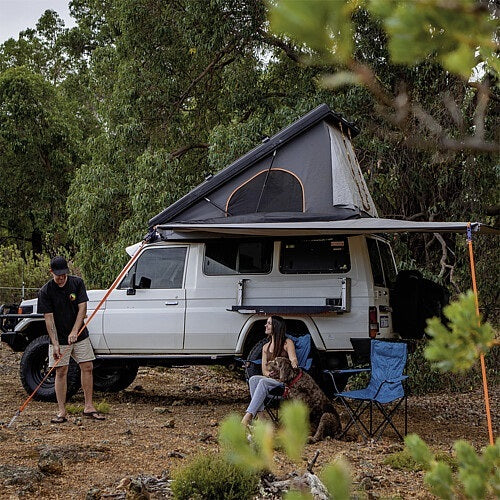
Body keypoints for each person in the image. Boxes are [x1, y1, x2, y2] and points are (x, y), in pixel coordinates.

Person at [37, 256, 105, 423]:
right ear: (51, 272)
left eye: (64, 274)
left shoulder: (77, 283)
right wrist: (54, 343)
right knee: (61, 371)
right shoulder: (45, 292)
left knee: (87, 366)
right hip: (58, 337)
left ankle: (89, 406)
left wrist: (75, 331)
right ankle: (61, 411)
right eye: (58, 275)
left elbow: (82, 308)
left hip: (79, 334)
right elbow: (49, 319)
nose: (62, 278)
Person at [241, 315, 298, 426]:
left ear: (276, 327)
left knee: (263, 382)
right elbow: (264, 370)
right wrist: (269, 374)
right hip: (272, 380)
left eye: (269, 323)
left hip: (284, 380)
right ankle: (261, 417)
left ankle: (247, 417)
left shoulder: (287, 343)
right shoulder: (265, 347)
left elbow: (293, 358)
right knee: (253, 379)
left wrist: (294, 363)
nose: (265, 325)